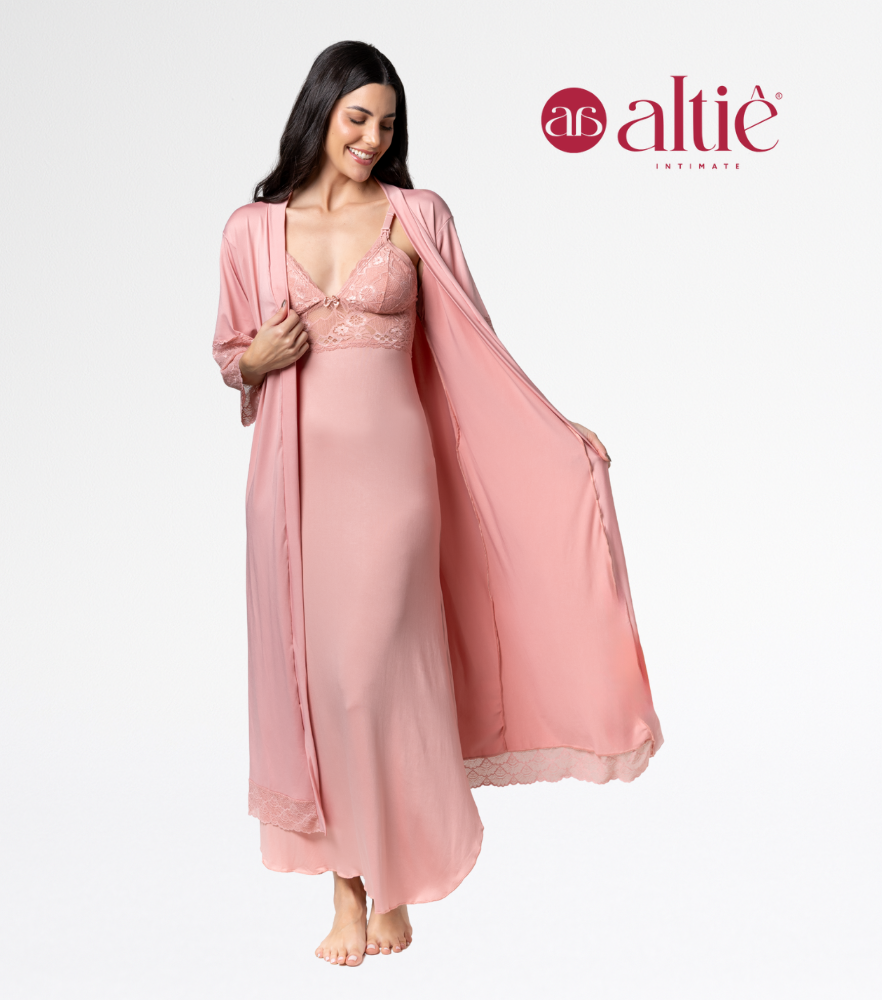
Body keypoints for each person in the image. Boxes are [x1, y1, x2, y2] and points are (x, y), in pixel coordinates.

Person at [213, 40, 663, 968]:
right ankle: (349, 890)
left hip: (395, 484)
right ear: (319, 112)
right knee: (321, 681)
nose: (372, 139)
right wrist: (253, 361)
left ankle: (395, 879)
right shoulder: (250, 230)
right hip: (291, 491)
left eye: (387, 124)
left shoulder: (418, 215)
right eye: (357, 119)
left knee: (377, 670)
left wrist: (554, 427)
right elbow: (230, 354)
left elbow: (477, 344)